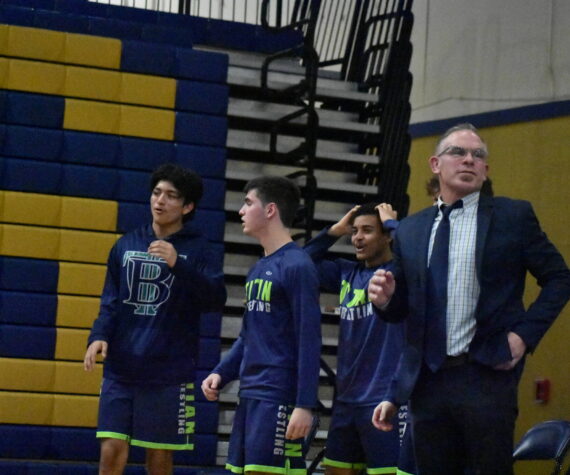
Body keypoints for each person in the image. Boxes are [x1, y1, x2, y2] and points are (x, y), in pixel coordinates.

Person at [368, 123, 570, 474]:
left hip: (486, 374)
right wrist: (384, 299)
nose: (469, 160)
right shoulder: (412, 231)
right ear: (435, 164)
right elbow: (402, 310)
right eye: (458, 153)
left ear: (486, 170)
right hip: (428, 381)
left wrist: (523, 336)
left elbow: (559, 279)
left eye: (478, 155)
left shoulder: (513, 217)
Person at [84, 163, 226, 475]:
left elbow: (216, 299)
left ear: (187, 206)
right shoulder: (125, 244)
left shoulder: (200, 249)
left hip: (168, 372)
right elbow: (110, 302)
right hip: (121, 368)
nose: (160, 200)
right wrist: (98, 335)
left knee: (159, 459)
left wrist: (179, 264)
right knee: (111, 451)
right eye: (156, 192)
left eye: (171, 196)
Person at [201, 176, 322, 475]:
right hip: (251, 394)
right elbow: (248, 335)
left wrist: (304, 404)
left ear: (270, 210)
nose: (241, 211)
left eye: (248, 203)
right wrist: (222, 372)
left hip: (278, 396)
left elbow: (310, 339)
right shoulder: (258, 268)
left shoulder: (297, 265)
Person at [304, 202, 415, 475]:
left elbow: (417, 254)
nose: (357, 238)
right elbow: (301, 263)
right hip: (346, 399)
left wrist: (393, 224)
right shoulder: (346, 272)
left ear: (387, 236)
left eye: (367, 230)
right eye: (354, 231)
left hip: (384, 398)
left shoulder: (403, 274)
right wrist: (334, 232)